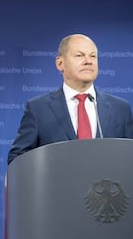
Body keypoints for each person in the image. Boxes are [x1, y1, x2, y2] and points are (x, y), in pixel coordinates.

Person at [8, 33, 133, 164]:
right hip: (57, 183)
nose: (88, 61)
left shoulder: (120, 109)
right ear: (60, 63)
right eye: (79, 55)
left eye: (93, 56)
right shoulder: (38, 108)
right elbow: (17, 158)